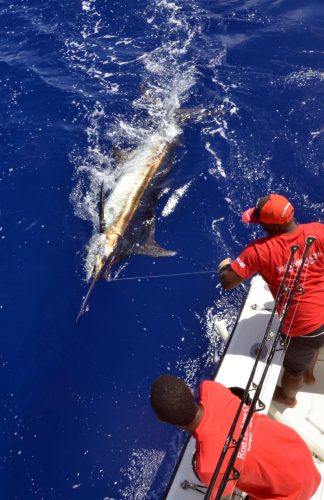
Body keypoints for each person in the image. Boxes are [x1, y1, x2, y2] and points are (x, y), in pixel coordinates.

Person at [218, 194, 324, 407]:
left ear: (273, 227)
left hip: (302, 328)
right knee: (314, 343)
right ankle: (310, 375)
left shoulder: (258, 251)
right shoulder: (319, 230)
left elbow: (228, 281)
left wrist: (223, 267)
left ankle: (288, 398)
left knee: (294, 369)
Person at [150, 375, 321, 500]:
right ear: (190, 390)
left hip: (293, 494)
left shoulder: (208, 466)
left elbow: (224, 493)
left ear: (161, 420)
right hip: (300, 454)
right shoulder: (211, 388)